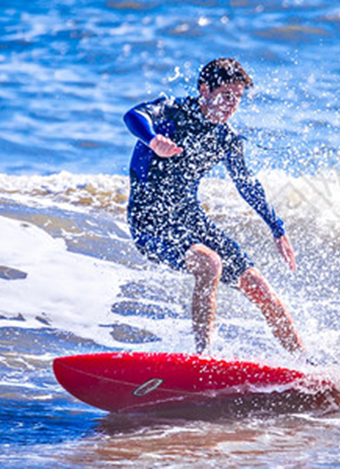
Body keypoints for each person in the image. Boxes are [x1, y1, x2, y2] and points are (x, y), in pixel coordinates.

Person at [124, 58, 306, 359]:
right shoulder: (172, 112)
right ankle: (202, 359)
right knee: (210, 264)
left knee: (259, 287)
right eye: (225, 96)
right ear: (204, 90)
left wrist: (277, 228)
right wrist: (154, 140)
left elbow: (246, 183)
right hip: (150, 220)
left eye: (237, 99)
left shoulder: (226, 139)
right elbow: (132, 115)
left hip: (189, 218)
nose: (230, 106)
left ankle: (308, 366)